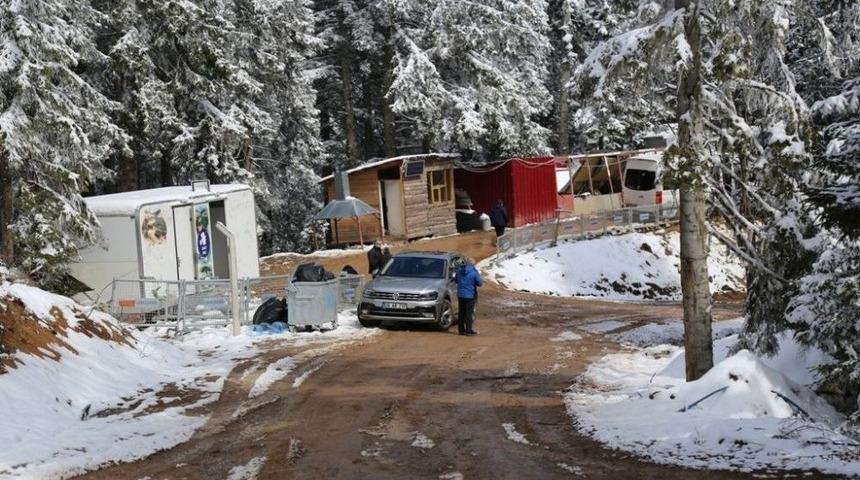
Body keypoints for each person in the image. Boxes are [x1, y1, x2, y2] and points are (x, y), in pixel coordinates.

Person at [455, 258, 483, 336]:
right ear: (473, 264)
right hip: (470, 295)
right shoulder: (474, 273)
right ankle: (468, 330)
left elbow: (456, 280)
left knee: (461, 313)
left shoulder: (459, 271)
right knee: (468, 313)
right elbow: (480, 283)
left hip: (460, 295)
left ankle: (461, 330)